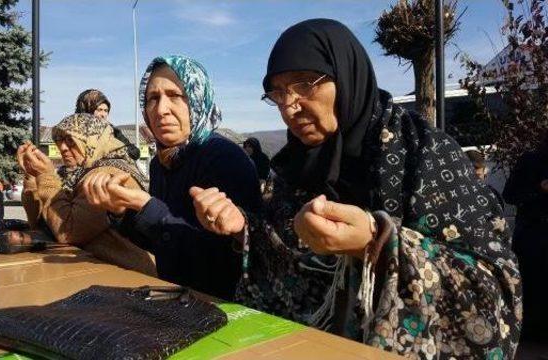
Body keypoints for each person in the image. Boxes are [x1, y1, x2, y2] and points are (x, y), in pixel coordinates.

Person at [190, 19, 522, 358]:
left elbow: (495, 286)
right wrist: (242, 227)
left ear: (346, 74)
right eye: (277, 92)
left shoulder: (424, 153)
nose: (289, 107)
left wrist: (377, 242)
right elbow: (285, 255)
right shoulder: (294, 168)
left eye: (305, 84)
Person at [82, 55, 261, 300]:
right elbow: (159, 243)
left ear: (198, 99)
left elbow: (219, 257)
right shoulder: (161, 163)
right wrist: (122, 210)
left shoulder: (224, 158)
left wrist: (145, 205)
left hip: (225, 309)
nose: (161, 109)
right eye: (152, 99)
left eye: (175, 96)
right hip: (177, 301)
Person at [17, 113, 156, 276]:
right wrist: (32, 176)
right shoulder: (72, 175)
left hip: (128, 279)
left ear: (92, 139)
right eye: (59, 141)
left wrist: (45, 176)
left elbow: (67, 232)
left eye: (70, 140)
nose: (62, 147)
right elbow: (39, 223)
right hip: (90, 272)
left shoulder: (109, 173)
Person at [502, 138, 548, 342]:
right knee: (532, 286)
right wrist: (539, 189)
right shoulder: (530, 161)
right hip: (533, 235)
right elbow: (510, 195)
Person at [75, 89, 140, 160]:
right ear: (88, 110)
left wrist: (116, 150)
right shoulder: (74, 130)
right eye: (99, 110)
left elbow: (135, 153)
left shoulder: (112, 131)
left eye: (106, 110)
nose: (103, 114)